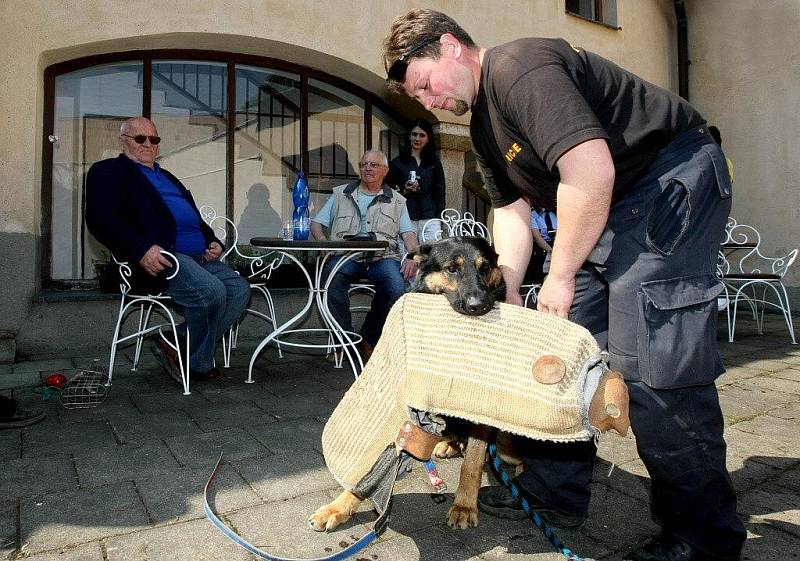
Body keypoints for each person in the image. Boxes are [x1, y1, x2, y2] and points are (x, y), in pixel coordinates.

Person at [383, 10, 743, 561]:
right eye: (419, 97)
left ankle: (703, 538)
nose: (427, 102)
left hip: (670, 180)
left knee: (654, 367)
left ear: (451, 47)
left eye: (426, 86)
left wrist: (560, 275)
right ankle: (555, 491)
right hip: (608, 208)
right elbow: (510, 215)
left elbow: (590, 173)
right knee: (559, 353)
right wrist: (503, 297)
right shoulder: (484, 123)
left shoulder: (519, 69)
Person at [86, 117, 250, 384]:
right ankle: (196, 361)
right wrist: (141, 250)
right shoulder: (108, 172)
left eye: (154, 139)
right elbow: (99, 219)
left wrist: (211, 239)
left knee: (239, 290)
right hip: (161, 259)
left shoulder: (168, 177)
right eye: (140, 139)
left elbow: (192, 217)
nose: (148, 144)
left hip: (199, 259)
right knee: (213, 292)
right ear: (123, 141)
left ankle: (176, 340)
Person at [311, 149, 420, 358]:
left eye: (374, 165)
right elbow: (317, 223)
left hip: (383, 257)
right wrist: (323, 242)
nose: (368, 168)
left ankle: (369, 338)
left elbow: (408, 234)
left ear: (385, 170)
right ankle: (343, 342)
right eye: (364, 164)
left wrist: (412, 256)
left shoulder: (397, 200)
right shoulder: (340, 193)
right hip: (346, 255)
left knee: (395, 287)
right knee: (330, 281)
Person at [386, 118, 447, 243]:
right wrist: (405, 191)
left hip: (430, 218)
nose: (417, 139)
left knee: (430, 258)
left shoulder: (434, 163)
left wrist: (439, 218)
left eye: (422, 135)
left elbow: (440, 192)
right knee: (408, 257)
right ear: (409, 136)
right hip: (406, 217)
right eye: (414, 134)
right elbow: (388, 191)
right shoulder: (398, 162)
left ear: (428, 138)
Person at [526, 206, 558, 284]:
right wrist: (551, 251)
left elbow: (559, 232)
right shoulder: (532, 214)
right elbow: (538, 238)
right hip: (543, 245)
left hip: (557, 242)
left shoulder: (554, 211)